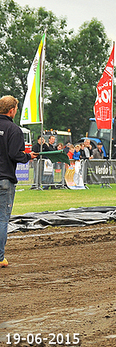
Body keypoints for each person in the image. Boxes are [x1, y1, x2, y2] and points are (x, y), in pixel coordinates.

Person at [0, 96, 38, 268]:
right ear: (12, 110)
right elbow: (16, 154)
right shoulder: (14, 130)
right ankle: (0, 257)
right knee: (2, 219)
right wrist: (28, 156)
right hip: (4, 179)